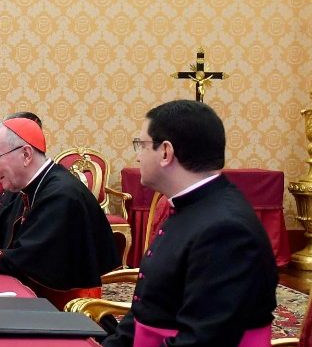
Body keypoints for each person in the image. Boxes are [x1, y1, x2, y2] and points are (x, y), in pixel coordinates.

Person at [104, 100, 277, 346]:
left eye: (141, 145)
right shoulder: (189, 206)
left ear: (166, 152)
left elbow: (203, 341)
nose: (138, 156)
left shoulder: (226, 230)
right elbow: (149, 307)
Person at [0, 117, 119, 307]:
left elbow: (23, 262)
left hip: (65, 308)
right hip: (40, 296)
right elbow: (3, 238)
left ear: (26, 154)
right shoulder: (31, 187)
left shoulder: (60, 195)